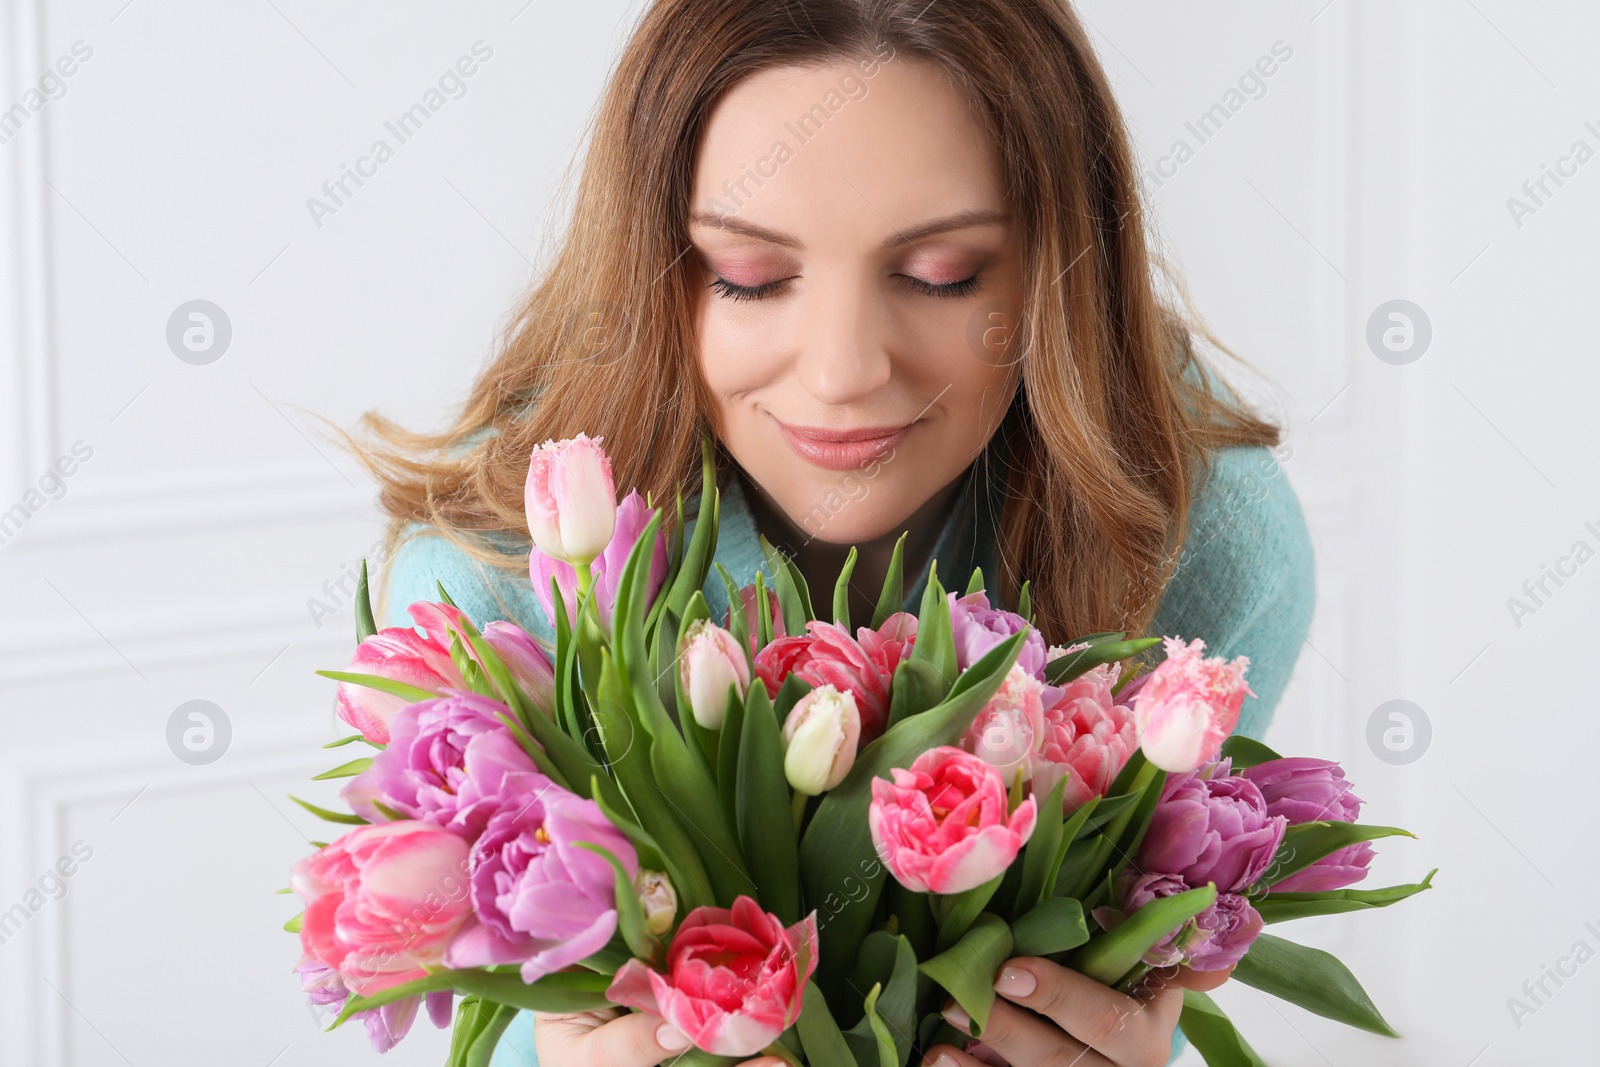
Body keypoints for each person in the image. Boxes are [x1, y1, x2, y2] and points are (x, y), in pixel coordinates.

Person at [347, 0, 1317, 1063]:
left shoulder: (1199, 533)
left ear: (1056, 271)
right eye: (749, 277)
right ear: (648, 270)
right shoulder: (492, 585)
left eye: (943, 273)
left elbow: (1153, 967)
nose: (842, 370)